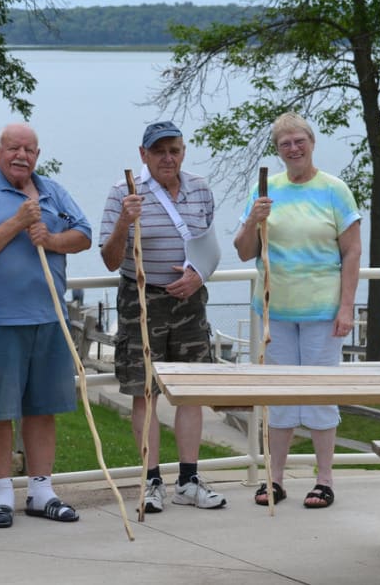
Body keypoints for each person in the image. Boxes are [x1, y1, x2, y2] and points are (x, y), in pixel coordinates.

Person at [0, 122, 91, 529]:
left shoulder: (52, 191)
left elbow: (82, 234)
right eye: (14, 148)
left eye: (29, 150)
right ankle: (0, 495)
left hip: (49, 318)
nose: (21, 156)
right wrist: (16, 223)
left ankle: (41, 491)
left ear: (37, 155)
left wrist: (50, 239)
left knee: (43, 408)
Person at [234, 111, 361, 509]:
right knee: (281, 396)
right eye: (285, 143)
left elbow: (352, 251)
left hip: (323, 312)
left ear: (311, 142)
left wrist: (346, 307)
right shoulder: (266, 192)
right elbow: (244, 251)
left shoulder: (334, 190)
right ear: (278, 150)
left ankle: (324, 480)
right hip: (275, 313)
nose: (293, 148)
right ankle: (274, 479)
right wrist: (253, 221)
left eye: (299, 140)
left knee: (321, 397)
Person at [99, 120, 226, 513]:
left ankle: (188, 479)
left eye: (174, 150)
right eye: (158, 152)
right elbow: (108, 259)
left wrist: (198, 275)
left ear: (183, 151)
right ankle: (151, 480)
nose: (167, 158)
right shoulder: (124, 193)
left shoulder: (200, 188)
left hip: (190, 301)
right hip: (141, 299)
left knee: (191, 391)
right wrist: (125, 221)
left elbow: (208, 246)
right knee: (145, 391)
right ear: (143, 155)